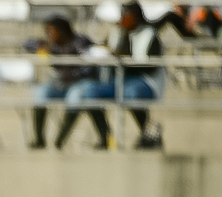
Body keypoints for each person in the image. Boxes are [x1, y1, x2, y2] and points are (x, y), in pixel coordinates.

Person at [56, 1, 164, 150]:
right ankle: (105, 137)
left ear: (136, 15)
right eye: (123, 14)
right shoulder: (117, 33)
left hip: (143, 81)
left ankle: (147, 134)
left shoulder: (150, 34)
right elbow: (108, 53)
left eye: (127, 14)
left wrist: (124, 60)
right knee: (89, 93)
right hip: (116, 80)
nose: (124, 18)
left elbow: (151, 66)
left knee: (130, 92)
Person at [23, 16, 96, 149]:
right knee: (40, 93)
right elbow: (27, 44)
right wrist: (43, 46)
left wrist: (72, 73)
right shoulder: (54, 45)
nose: (49, 35)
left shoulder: (79, 41)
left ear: (62, 31)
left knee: (75, 97)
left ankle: (60, 140)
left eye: (51, 32)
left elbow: (89, 66)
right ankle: (39, 140)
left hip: (80, 83)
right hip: (60, 85)